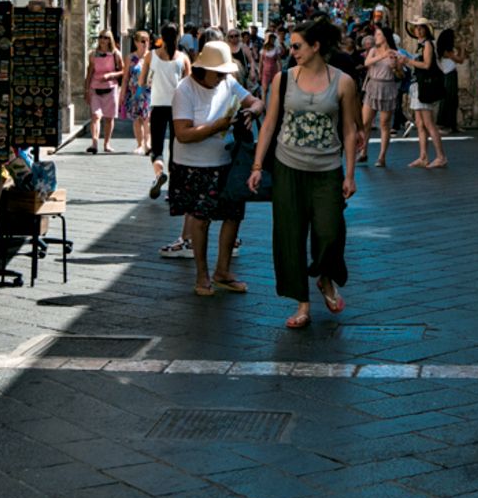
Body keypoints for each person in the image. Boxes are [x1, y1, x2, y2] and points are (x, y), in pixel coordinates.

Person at [249, 17, 360, 329]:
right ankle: (302, 304)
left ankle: (325, 277)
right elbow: (270, 123)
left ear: (316, 47)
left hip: (327, 169)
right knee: (290, 235)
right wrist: (257, 166)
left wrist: (350, 174)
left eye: (297, 46)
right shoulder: (283, 80)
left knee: (330, 230)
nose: (291, 50)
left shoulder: (343, 82)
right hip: (288, 166)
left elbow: (350, 130)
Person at [171, 39, 263, 297]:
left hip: (226, 163)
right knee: (200, 221)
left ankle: (223, 271)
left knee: (233, 215)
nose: (222, 77)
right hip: (194, 166)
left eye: (225, 72)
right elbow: (183, 133)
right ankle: (202, 275)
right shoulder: (185, 90)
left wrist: (252, 113)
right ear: (203, 69)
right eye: (218, 72)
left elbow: (256, 101)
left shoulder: (228, 83)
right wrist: (218, 125)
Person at [145, 23, 191, 215]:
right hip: (177, 107)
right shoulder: (183, 58)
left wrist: (151, 82)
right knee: (176, 147)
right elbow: (189, 84)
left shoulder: (151, 55)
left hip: (158, 105)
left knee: (156, 147)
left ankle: (159, 173)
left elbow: (143, 82)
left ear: (161, 37)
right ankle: (172, 190)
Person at [361, 25, 405, 167]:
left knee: (384, 124)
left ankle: (381, 157)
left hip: (387, 87)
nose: (375, 37)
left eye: (378, 34)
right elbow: (366, 63)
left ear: (385, 36)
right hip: (373, 86)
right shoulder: (373, 51)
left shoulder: (395, 53)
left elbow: (401, 75)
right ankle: (363, 151)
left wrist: (395, 67)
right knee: (365, 122)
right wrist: (382, 56)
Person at [404, 20, 447, 168]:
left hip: (424, 87)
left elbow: (427, 64)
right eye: (416, 28)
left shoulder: (428, 44)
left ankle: (441, 156)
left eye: (421, 28)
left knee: (429, 123)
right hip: (418, 85)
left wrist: (408, 61)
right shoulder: (421, 45)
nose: (418, 30)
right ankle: (423, 156)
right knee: (420, 124)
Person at [83, 31, 124, 153]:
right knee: (95, 116)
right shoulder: (93, 54)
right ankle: (94, 143)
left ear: (109, 40)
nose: (102, 40)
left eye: (105, 38)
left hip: (110, 88)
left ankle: (107, 143)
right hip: (95, 88)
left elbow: (123, 71)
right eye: (100, 37)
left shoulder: (116, 54)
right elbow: (89, 72)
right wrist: (86, 89)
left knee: (109, 118)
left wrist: (110, 75)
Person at [122, 31, 152, 154]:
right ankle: (140, 144)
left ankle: (147, 143)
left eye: (147, 41)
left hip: (148, 91)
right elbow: (125, 77)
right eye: (142, 41)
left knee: (147, 118)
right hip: (134, 92)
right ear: (136, 42)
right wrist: (122, 94)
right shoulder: (130, 58)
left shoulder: (151, 56)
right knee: (137, 119)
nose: (145, 43)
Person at [435, 28, 461, 133]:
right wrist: (462, 49)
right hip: (449, 75)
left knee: (453, 100)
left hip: (450, 74)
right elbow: (460, 59)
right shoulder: (447, 51)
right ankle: (445, 124)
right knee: (448, 100)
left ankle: (452, 125)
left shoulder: (446, 50)